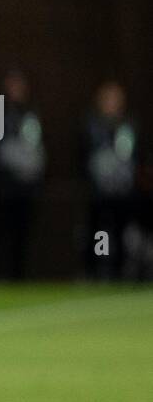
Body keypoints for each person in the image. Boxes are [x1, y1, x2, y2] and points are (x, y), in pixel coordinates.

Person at [0, 69, 45, 279]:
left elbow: (37, 147)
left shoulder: (31, 114)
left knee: (22, 234)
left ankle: (18, 277)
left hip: (25, 184)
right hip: (3, 184)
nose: (15, 91)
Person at [82, 81, 139, 280]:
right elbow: (83, 155)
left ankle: (118, 272)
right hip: (99, 192)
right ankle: (95, 270)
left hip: (122, 192)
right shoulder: (92, 124)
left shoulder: (128, 125)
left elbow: (135, 155)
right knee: (98, 233)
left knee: (120, 233)